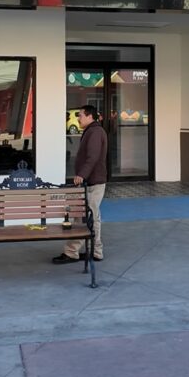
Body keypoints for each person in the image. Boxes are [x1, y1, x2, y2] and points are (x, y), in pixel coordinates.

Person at [53, 104, 108, 264]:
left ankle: (78, 252)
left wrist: (82, 175)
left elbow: (93, 157)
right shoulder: (91, 131)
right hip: (90, 181)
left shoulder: (95, 132)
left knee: (88, 218)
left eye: (80, 115)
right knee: (87, 217)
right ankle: (91, 252)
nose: (78, 118)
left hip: (93, 182)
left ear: (90, 116)